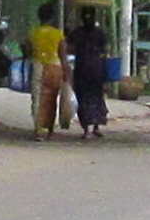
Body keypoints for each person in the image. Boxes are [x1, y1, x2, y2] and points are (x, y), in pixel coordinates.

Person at [68, 10, 113, 138]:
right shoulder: (100, 32)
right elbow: (106, 49)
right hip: (97, 68)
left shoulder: (76, 32)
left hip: (82, 68)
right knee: (97, 97)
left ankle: (86, 130)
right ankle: (96, 127)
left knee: (83, 98)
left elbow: (69, 48)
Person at [27, 11, 67, 139]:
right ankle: (49, 128)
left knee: (38, 97)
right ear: (52, 18)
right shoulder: (58, 34)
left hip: (38, 65)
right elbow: (63, 54)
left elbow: (28, 50)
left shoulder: (34, 33)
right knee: (51, 98)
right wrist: (66, 72)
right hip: (55, 67)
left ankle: (39, 129)